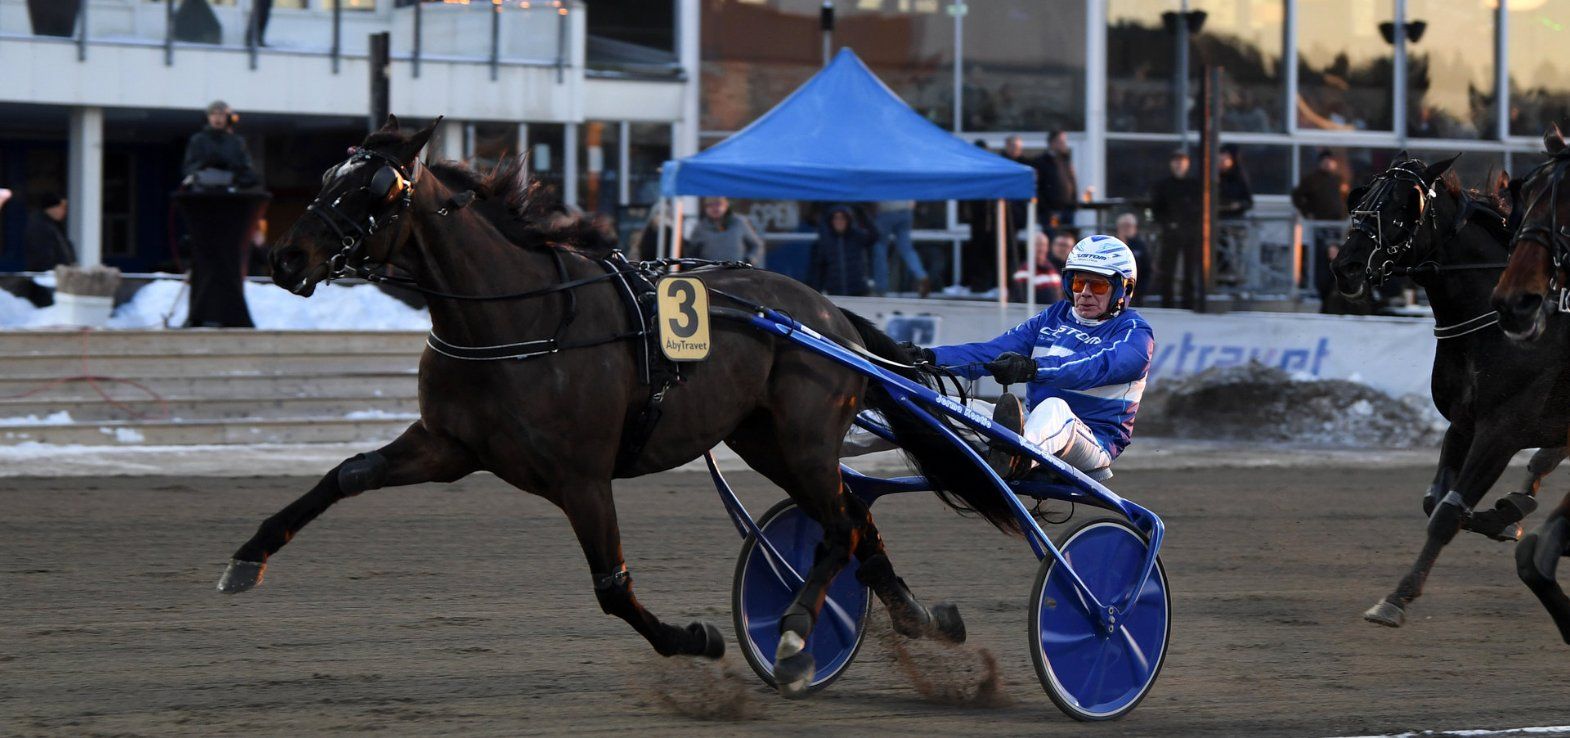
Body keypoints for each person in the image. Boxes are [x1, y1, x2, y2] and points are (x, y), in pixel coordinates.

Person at [896, 236, 1152, 478]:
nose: (1084, 293)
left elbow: (1091, 367)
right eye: (1077, 283)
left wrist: (1032, 369)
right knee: (940, 406)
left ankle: (1017, 458)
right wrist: (928, 357)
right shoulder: (1054, 316)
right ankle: (856, 434)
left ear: (1123, 289)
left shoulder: (1135, 335)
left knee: (1055, 408)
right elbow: (991, 352)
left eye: (1097, 285)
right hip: (1031, 430)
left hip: (1092, 443)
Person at [1292, 149, 1349, 310]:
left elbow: (1345, 198)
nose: (1328, 163)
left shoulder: (1339, 180)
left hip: (1338, 225)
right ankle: (1320, 289)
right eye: (1325, 160)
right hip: (1319, 225)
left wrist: (1345, 215)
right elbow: (1298, 197)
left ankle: (1335, 289)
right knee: (1320, 258)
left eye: (1331, 160)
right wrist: (1307, 212)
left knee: (1337, 257)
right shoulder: (1312, 180)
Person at [1149, 149, 1202, 309]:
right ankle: (1167, 303)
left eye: (1182, 161)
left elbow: (1200, 208)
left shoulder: (1195, 185)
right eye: (1176, 161)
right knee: (1168, 271)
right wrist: (1167, 224)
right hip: (1170, 233)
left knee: (1190, 270)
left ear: (1187, 164)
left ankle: (1189, 303)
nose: (1179, 165)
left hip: (1191, 232)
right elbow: (1156, 209)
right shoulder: (1164, 186)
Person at [183, 100, 258, 187]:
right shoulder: (198, 140)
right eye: (213, 114)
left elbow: (246, 167)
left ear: (227, 118)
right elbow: (188, 168)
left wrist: (232, 166)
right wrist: (205, 164)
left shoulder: (237, 141)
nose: (217, 118)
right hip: (203, 187)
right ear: (208, 117)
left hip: (230, 186)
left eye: (221, 114)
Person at [809, 204, 875, 296]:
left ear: (848, 220)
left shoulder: (857, 236)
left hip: (858, 291)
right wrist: (816, 293)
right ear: (831, 221)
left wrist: (862, 214)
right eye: (836, 218)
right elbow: (820, 269)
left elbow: (874, 236)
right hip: (835, 293)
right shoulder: (825, 241)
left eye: (842, 218)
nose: (839, 221)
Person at [872, 200, 931, 297]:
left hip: (886, 211)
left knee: (880, 248)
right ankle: (922, 276)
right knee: (906, 249)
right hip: (906, 211)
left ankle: (881, 289)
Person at [686, 196, 765, 266]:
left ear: (726, 206)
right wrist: (697, 267)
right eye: (710, 206)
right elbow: (692, 252)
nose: (715, 208)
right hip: (709, 274)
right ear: (705, 208)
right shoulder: (700, 227)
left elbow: (756, 245)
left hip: (737, 272)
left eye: (718, 205)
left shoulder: (739, 222)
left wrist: (750, 259)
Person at [1035, 130, 1078, 230]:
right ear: (1053, 143)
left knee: (1068, 239)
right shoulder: (1041, 162)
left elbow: (1072, 181)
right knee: (1053, 239)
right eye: (1062, 142)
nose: (1065, 145)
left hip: (1067, 210)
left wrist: (1074, 203)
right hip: (1050, 212)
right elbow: (1037, 187)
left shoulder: (1065, 160)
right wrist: (1046, 208)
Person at [24, 193, 75, 272]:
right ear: (52, 207)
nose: (64, 211)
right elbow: (42, 256)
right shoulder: (40, 226)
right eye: (62, 207)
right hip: (47, 276)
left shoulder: (55, 225)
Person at [1011, 231, 1063, 305]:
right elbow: (1020, 300)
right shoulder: (1023, 271)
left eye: (1043, 245)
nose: (1041, 249)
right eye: (1037, 245)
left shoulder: (1053, 270)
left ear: (1048, 248)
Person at [1115, 213, 1152, 307]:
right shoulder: (1112, 244)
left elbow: (1147, 269)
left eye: (1129, 226)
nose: (1126, 229)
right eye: (1123, 226)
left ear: (1135, 228)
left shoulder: (1141, 246)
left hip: (1136, 289)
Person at [1218, 143, 1253, 218]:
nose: (1222, 162)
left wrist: (1238, 205)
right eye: (1220, 160)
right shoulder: (1214, 177)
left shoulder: (1239, 179)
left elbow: (1248, 202)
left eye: (1226, 159)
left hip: (1234, 220)